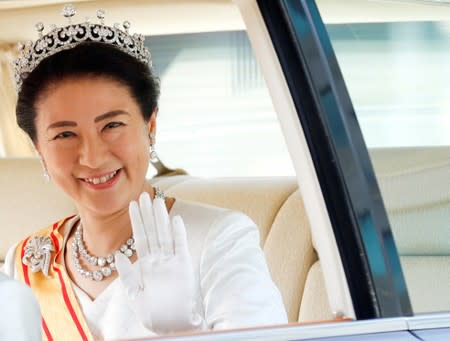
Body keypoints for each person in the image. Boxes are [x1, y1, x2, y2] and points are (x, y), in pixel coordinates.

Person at [2, 5, 287, 341]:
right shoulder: (27, 261)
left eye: (112, 125)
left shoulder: (217, 239)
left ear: (150, 126)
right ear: (38, 148)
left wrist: (184, 333)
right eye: (64, 134)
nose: (92, 157)